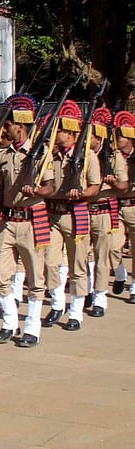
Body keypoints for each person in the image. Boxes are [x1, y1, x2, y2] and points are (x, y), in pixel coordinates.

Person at [0, 94, 55, 347]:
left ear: (21, 126)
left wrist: (36, 192)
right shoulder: (3, 155)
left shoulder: (40, 154)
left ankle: (32, 328)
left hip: (32, 219)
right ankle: (9, 322)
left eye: (8, 125)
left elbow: (49, 187)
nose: (4, 129)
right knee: (0, 274)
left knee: (36, 277)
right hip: (8, 220)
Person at [43, 100, 100, 332]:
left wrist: (81, 194)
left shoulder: (88, 157)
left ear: (72, 133)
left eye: (62, 131)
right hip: (53, 215)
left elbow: (95, 187)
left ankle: (76, 311)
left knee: (78, 266)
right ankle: (57, 303)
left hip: (75, 214)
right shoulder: (51, 156)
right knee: (49, 262)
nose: (58, 135)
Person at [85, 107, 128, 318]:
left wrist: (110, 181)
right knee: (83, 256)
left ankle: (100, 297)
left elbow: (123, 185)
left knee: (103, 256)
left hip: (103, 210)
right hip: (84, 210)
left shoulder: (114, 156)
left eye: (90, 135)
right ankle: (87, 290)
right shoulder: (82, 156)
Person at [113, 111, 135, 303]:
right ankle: (120, 273)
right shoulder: (113, 157)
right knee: (112, 246)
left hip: (134, 205)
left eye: (119, 137)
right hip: (116, 205)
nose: (116, 140)